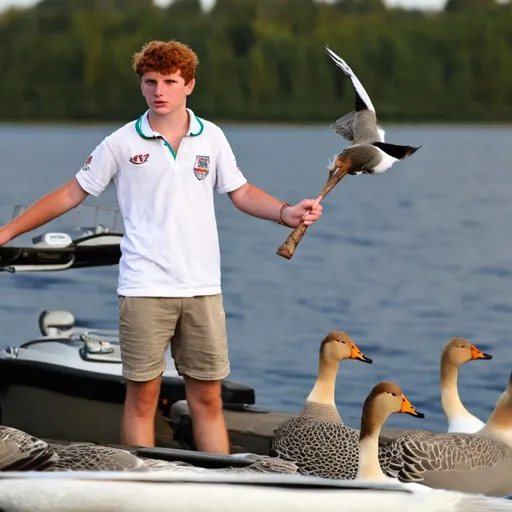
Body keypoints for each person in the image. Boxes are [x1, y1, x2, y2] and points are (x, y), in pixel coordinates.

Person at [0, 40, 323, 454]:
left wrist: (287, 212)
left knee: (207, 400)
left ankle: (218, 489)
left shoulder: (213, 138)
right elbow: (70, 194)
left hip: (202, 288)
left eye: (170, 81)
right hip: (143, 288)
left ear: (189, 84)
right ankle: (140, 485)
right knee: (142, 400)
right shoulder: (120, 142)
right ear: (142, 86)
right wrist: (8, 232)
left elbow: (240, 193)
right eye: (151, 82)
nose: (160, 91)